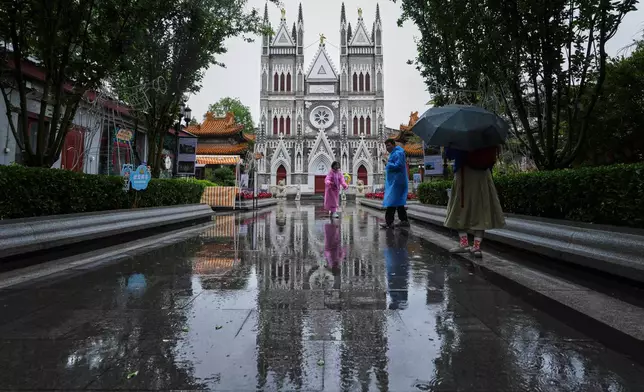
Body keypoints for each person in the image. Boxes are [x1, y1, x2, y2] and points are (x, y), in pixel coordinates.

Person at [444, 146, 505, 258]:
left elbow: (450, 154)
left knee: (459, 209)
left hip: (464, 174)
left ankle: (464, 243)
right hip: (483, 175)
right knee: (481, 210)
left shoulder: (459, 137)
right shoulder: (489, 136)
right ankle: (476, 247)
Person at [381, 138, 410, 229]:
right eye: (386, 146)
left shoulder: (398, 153)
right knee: (398, 202)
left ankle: (389, 222)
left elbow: (399, 166)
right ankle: (404, 220)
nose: (387, 148)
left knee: (391, 202)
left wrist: (387, 163)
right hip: (395, 181)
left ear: (394, 145)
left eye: (389, 145)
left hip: (398, 182)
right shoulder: (395, 153)